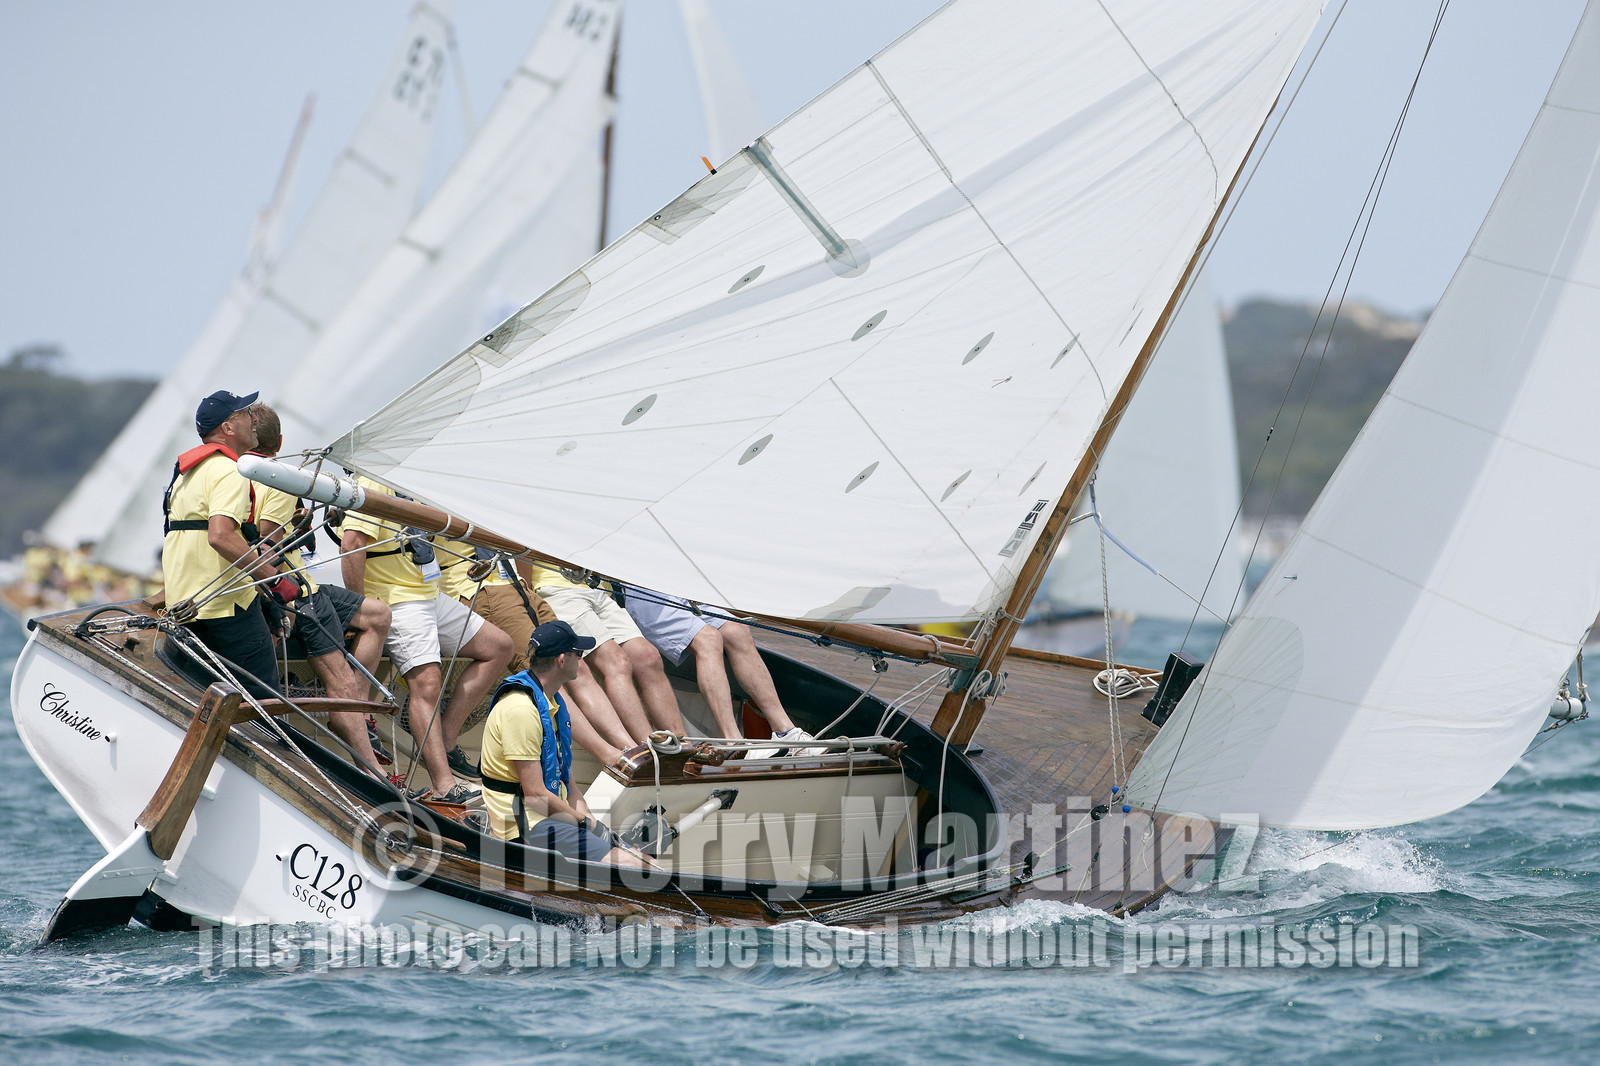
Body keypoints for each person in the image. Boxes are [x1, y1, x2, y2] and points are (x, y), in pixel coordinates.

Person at [340, 476, 512, 803]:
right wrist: (358, 607)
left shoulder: (417, 484)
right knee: (427, 683)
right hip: (397, 600)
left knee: (499, 647)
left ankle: (445, 737)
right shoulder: (373, 481)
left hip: (428, 594)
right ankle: (444, 786)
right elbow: (351, 545)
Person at [248, 403, 390, 774]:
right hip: (298, 596)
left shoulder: (238, 476)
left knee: (377, 614)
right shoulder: (278, 477)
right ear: (280, 441)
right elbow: (267, 543)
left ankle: (359, 714)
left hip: (305, 586)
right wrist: (279, 597)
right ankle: (368, 761)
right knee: (341, 681)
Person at [477, 621, 649, 867]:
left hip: (547, 816)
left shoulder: (551, 701)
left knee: (636, 857)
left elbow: (565, 781)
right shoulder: (521, 711)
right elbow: (536, 796)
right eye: (577, 654)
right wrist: (585, 823)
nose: (581, 661)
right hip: (525, 824)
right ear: (561, 659)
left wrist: (592, 823)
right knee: (637, 866)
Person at [161, 389, 297, 697]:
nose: (254, 420)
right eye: (246, 414)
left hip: (184, 604)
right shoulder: (229, 470)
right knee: (263, 701)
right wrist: (271, 580)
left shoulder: (187, 473)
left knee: (200, 697)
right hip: (225, 605)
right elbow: (220, 535)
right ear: (228, 428)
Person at [621, 586, 821, 753]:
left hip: (680, 584)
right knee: (708, 639)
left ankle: (786, 732)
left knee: (737, 631)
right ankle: (734, 743)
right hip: (643, 588)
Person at [529, 563, 685, 744]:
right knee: (615, 661)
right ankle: (648, 747)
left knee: (648, 656)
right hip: (555, 587)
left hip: (598, 589)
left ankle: (682, 746)